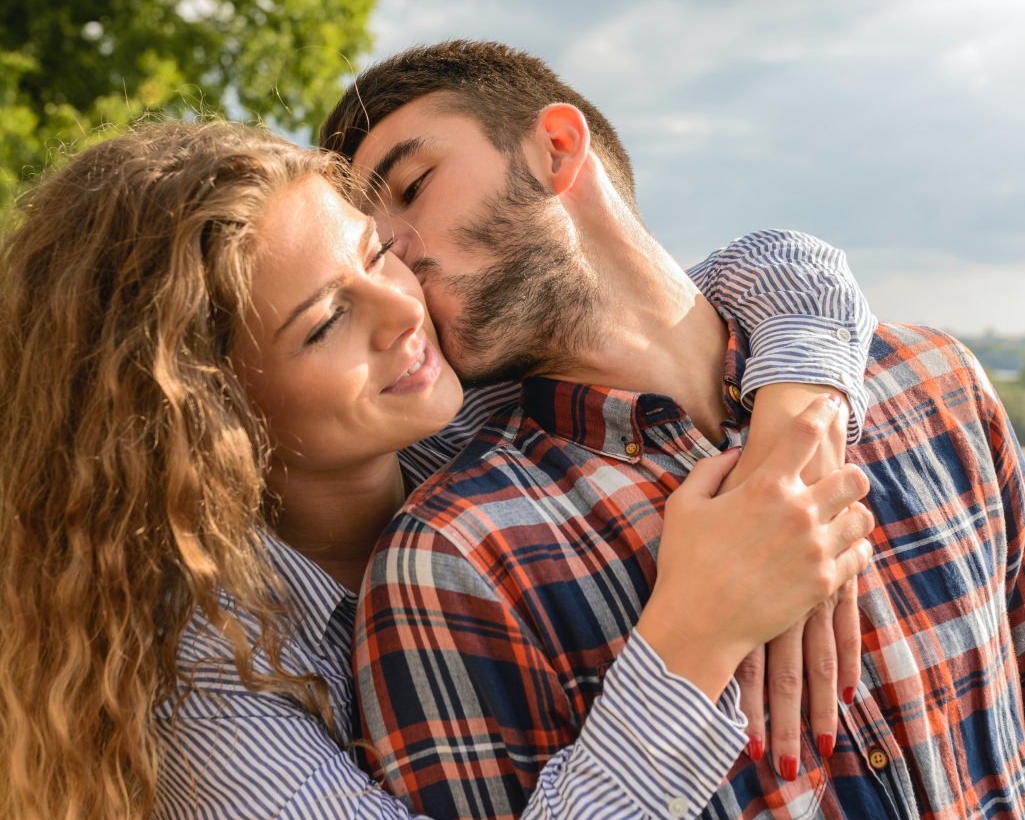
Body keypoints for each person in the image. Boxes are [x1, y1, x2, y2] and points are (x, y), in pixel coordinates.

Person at [0, 122, 873, 820]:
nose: (403, 308)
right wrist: (694, 636)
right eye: (323, 322)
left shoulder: (463, 414)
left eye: (375, 256)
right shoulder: (205, 693)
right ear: (203, 418)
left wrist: (793, 440)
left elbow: (770, 270)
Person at [321, 40, 1025, 820]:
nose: (394, 258)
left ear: (556, 148)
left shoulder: (935, 382)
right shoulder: (450, 559)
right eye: (371, 248)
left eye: (413, 186)